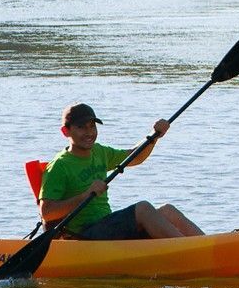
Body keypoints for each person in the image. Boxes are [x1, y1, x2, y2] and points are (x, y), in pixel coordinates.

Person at [39, 103, 204, 240]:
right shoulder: (59, 166)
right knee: (143, 209)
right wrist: (85, 195)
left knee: (168, 211)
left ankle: (210, 246)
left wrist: (153, 137)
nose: (89, 132)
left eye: (92, 126)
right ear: (65, 131)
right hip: (84, 235)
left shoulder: (99, 152)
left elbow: (134, 157)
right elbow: (46, 213)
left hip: (107, 226)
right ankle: (191, 252)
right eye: (81, 127)